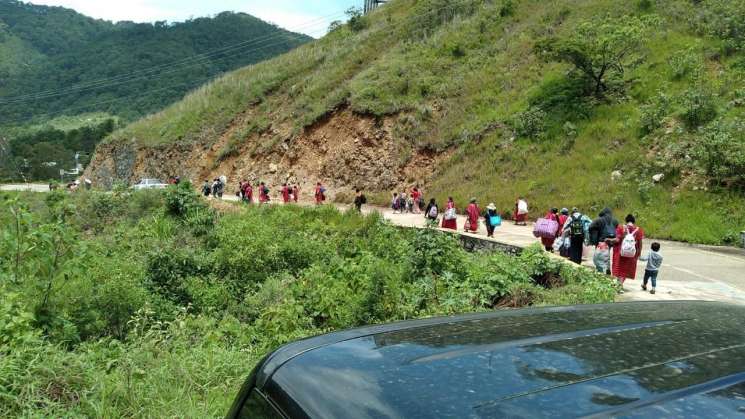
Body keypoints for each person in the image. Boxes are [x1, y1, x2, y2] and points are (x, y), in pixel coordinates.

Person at [609, 214, 644, 291]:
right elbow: (640, 243)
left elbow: (617, 240)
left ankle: (619, 284)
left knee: (619, 268)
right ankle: (620, 284)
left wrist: (609, 240)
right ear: (634, 221)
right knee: (625, 269)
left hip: (620, 252)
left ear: (626, 220)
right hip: (631, 253)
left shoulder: (621, 227)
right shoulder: (638, 230)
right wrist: (639, 253)